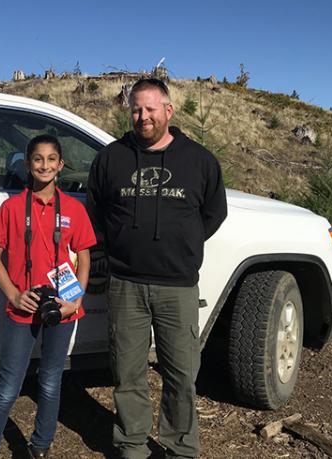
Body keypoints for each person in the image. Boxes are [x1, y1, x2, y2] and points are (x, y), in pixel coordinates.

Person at [86, 78, 227, 459]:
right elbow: (94, 207)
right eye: (136, 109)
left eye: (150, 109)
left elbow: (214, 213)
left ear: (168, 110)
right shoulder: (112, 158)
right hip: (126, 284)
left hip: (177, 286)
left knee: (181, 375)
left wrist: (183, 244)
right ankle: (132, 445)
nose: (142, 117)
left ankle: (180, 447)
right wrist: (114, 245)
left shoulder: (198, 161)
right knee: (127, 373)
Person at [0, 134, 96, 459]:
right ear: (28, 165)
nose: (44, 165)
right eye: (38, 159)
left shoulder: (74, 208)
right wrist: (13, 294)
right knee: (8, 385)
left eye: (51, 159)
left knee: (51, 379)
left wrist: (77, 299)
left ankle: (40, 445)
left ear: (61, 165)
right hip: (23, 308)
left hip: (63, 306)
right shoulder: (12, 208)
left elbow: (84, 257)